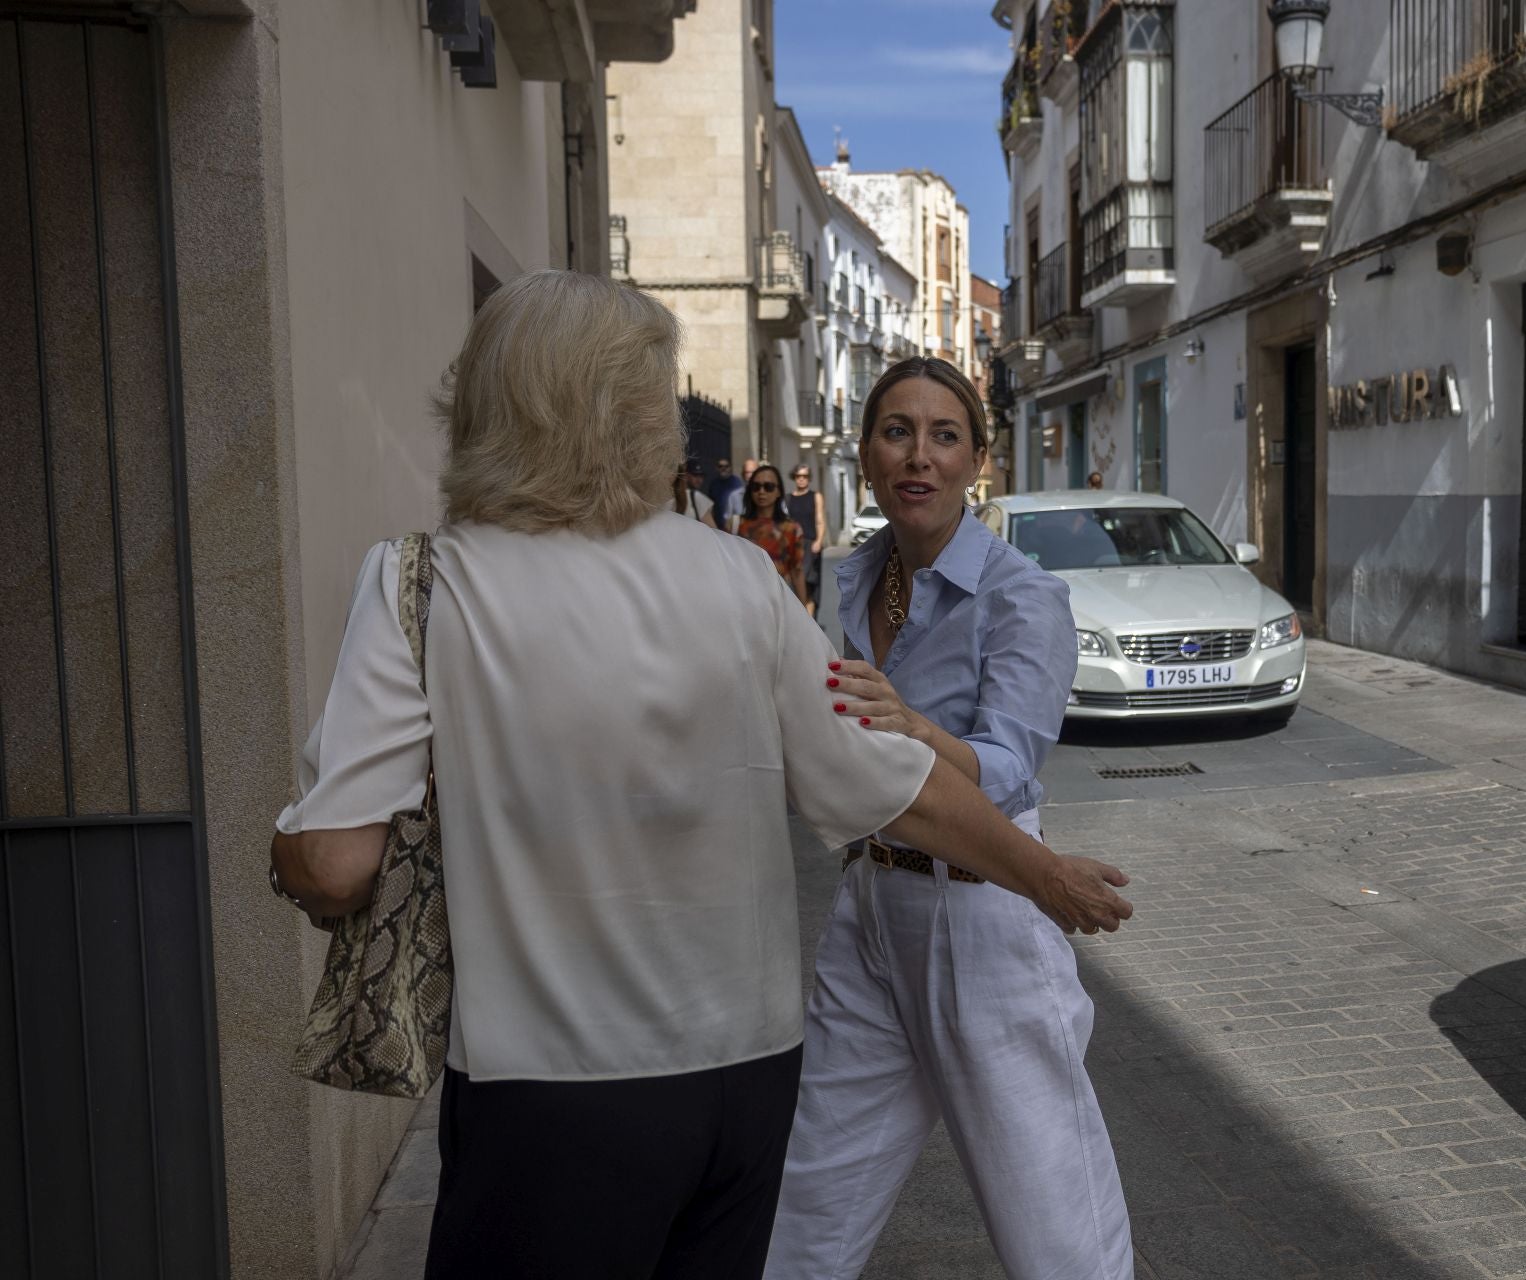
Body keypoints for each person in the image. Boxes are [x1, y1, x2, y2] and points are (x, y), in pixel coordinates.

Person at [266, 273, 1132, 1280]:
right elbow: (883, 779)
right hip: (741, 1074)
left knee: (1044, 1196)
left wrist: (287, 850)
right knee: (803, 1230)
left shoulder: (422, 582)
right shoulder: (743, 578)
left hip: (550, 1083)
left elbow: (331, 864)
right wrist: (1044, 872)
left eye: (945, 435)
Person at [765, 357, 1136, 1280]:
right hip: (871, 911)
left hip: (984, 921)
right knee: (806, 1198)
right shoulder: (852, 579)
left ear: (977, 459)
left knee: (1055, 1235)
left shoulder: (1023, 596)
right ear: (865, 454)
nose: (918, 456)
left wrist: (915, 729)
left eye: (944, 436)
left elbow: (1008, 769)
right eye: (897, 431)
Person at [737, 464, 807, 602]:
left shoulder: (792, 529)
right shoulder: (736, 525)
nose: (761, 492)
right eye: (756, 487)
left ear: (778, 491)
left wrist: (805, 615)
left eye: (768, 487)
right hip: (743, 599)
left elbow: (797, 571)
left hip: (779, 601)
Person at [788, 464, 826, 616]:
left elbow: (820, 520)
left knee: (809, 584)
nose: (801, 479)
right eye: (798, 476)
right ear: (794, 478)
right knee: (794, 585)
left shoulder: (815, 496)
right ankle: (800, 620)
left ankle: (810, 622)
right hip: (793, 546)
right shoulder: (788, 498)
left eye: (805, 476)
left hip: (810, 544)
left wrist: (819, 540)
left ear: (809, 478)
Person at [672, 459, 717, 526]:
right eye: (695, 475)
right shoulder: (696, 496)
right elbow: (713, 530)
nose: (699, 480)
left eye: (701, 476)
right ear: (686, 475)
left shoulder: (696, 496)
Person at [705, 455, 742, 523]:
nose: (723, 468)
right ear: (716, 468)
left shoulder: (737, 482)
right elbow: (711, 506)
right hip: (718, 525)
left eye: (726, 466)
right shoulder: (713, 484)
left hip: (733, 525)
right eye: (720, 466)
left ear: (730, 467)